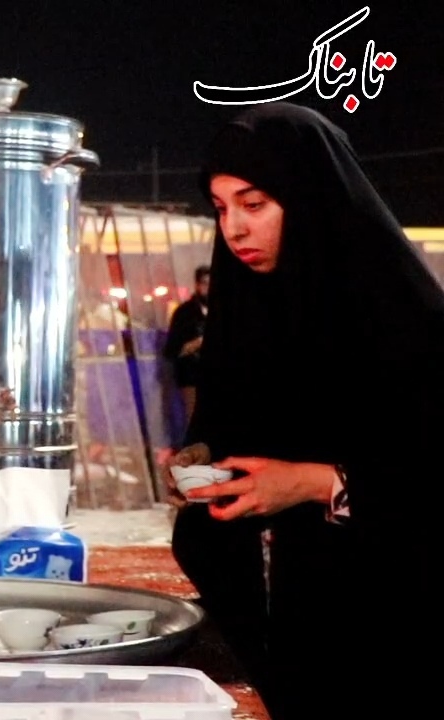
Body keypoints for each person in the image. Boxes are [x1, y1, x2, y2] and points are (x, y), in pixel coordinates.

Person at [167, 103, 442, 719]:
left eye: (254, 203)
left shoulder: (410, 323)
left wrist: (315, 484)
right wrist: (207, 463)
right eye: (221, 208)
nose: (235, 228)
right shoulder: (254, 320)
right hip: (298, 626)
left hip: (404, 637)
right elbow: (249, 432)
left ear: (311, 199)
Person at [162, 265, 209, 421]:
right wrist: (196, 343)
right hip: (193, 377)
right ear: (197, 285)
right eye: (205, 283)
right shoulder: (185, 313)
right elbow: (172, 350)